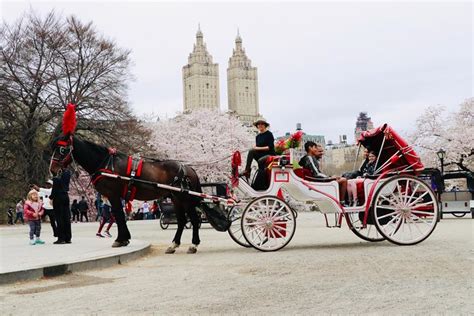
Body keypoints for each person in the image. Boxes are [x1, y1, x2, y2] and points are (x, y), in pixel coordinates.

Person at [50, 168, 72, 244]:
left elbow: (54, 190)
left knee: (59, 218)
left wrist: (51, 198)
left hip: (58, 198)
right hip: (66, 196)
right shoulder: (67, 175)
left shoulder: (56, 179)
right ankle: (68, 238)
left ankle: (61, 238)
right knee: (66, 217)